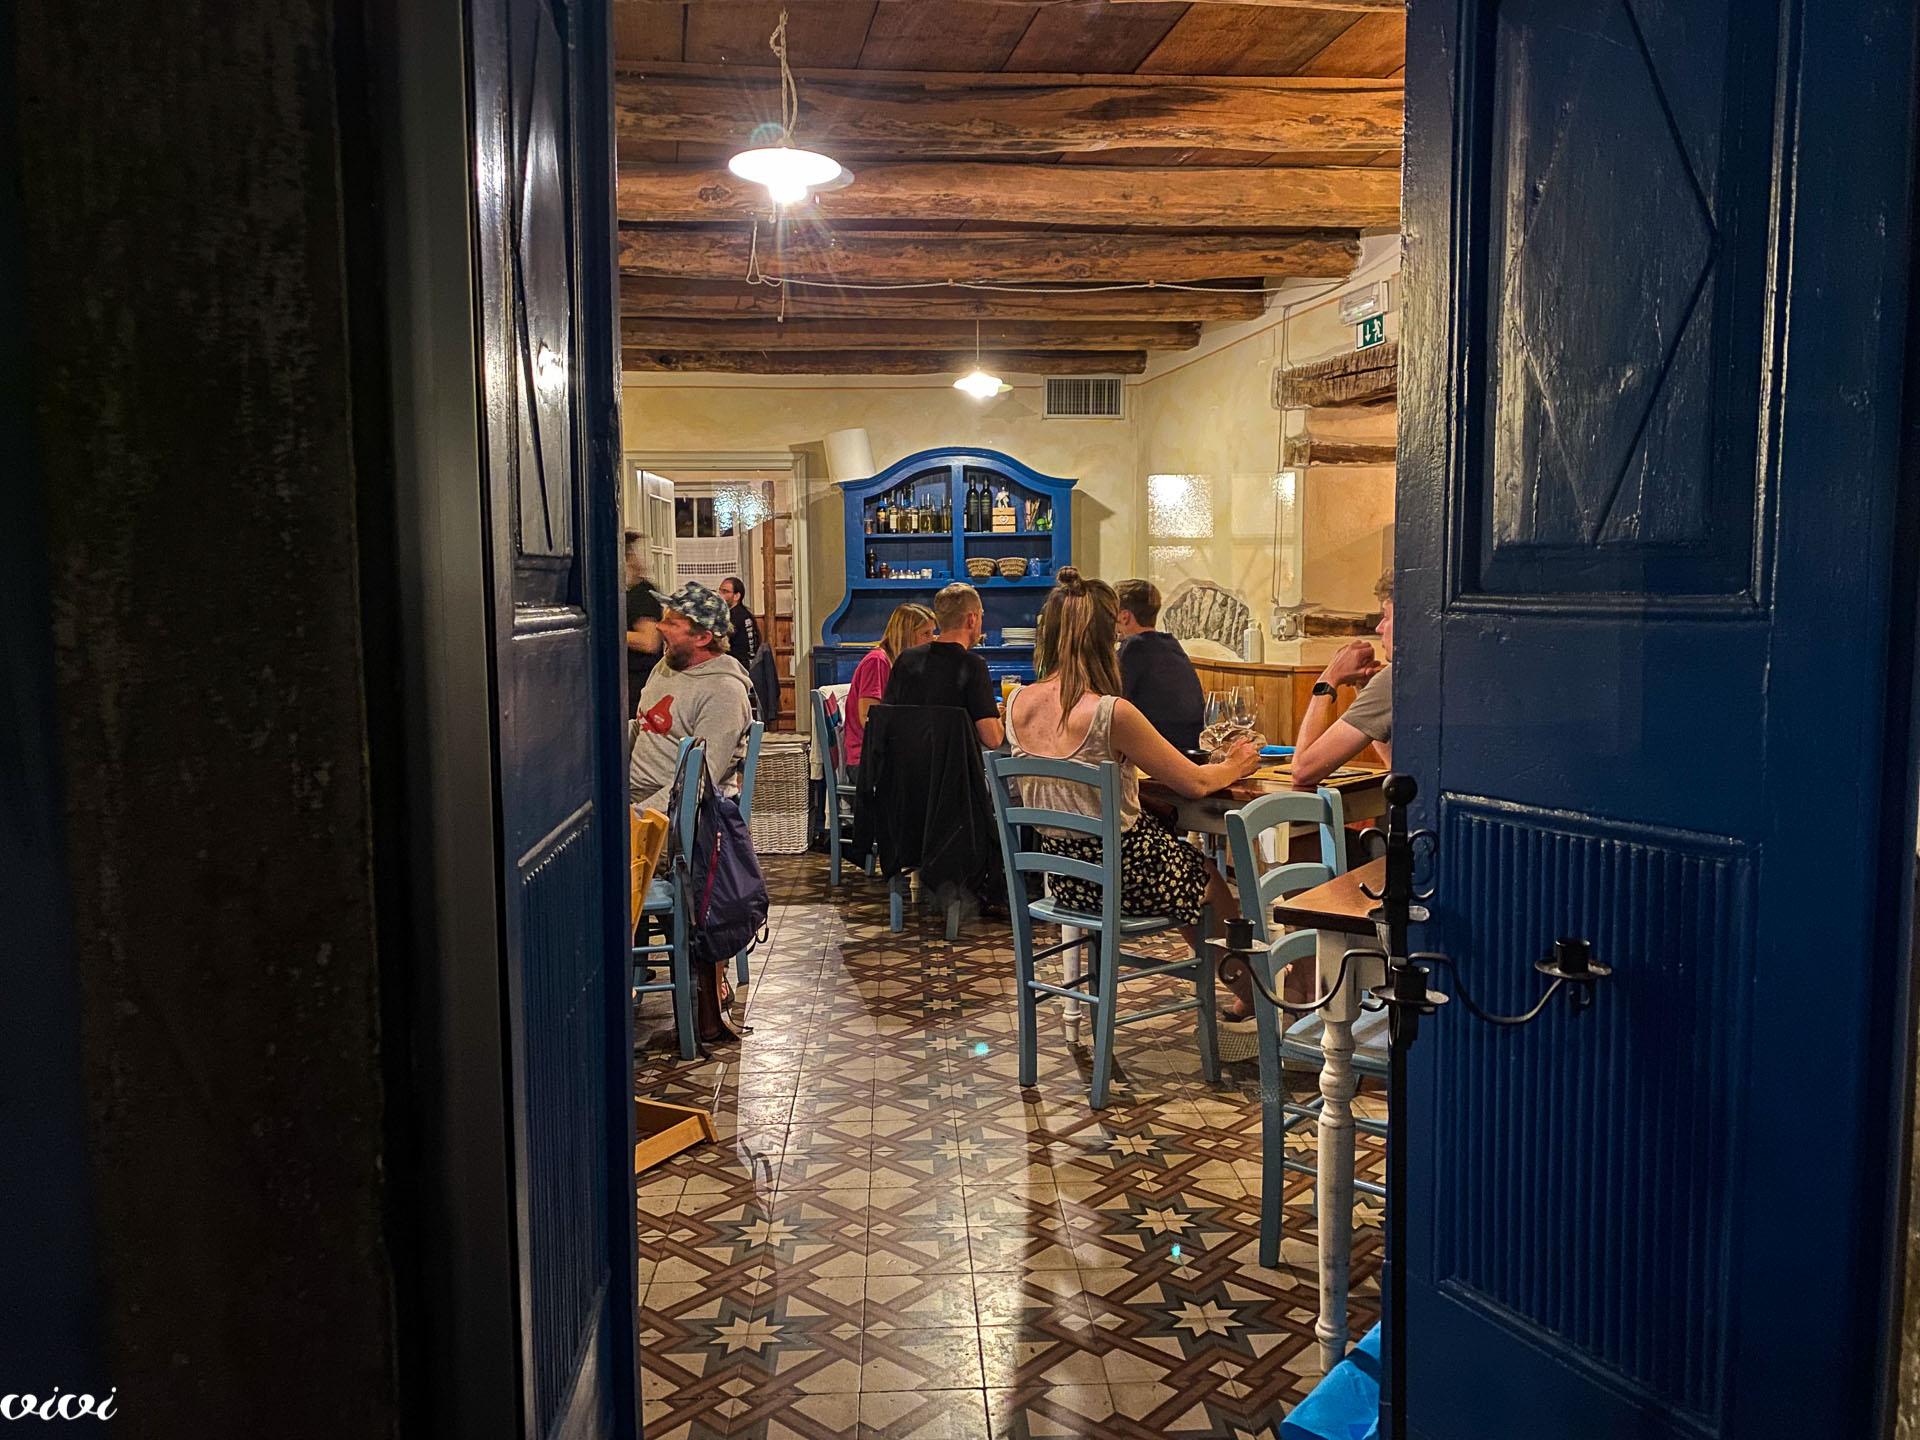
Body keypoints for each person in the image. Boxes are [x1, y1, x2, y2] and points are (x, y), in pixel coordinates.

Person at [1004, 568, 1261, 1018]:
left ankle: (1245, 989)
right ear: (1109, 638)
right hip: (1121, 874)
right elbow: (1195, 782)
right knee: (1206, 878)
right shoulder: (1110, 713)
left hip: (1063, 877)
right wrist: (1235, 765)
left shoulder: (1015, 703)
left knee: (1184, 870)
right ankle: (1251, 990)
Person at [628, 580, 754, 815]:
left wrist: (636, 816)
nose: (659, 627)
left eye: (672, 623)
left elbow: (697, 784)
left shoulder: (724, 692)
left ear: (703, 638)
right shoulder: (667, 665)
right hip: (633, 796)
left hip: (681, 815)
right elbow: (643, 724)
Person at [1291, 568, 1393, 789]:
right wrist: (1365, 690)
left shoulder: (1394, 679)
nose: (1379, 628)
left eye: (1386, 616)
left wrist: (1329, 678)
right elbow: (1396, 767)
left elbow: (1302, 771)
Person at [881, 582, 1005, 750]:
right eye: (981, 615)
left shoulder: (906, 659)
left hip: (907, 763)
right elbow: (993, 739)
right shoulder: (972, 665)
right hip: (955, 764)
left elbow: (886, 720)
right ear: (972, 619)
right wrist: (999, 716)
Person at [1114, 578, 1206, 754]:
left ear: (1124, 617)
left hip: (1158, 755)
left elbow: (1109, 703)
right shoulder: (1171, 644)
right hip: (1191, 750)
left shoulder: (1133, 648)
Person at [844, 602, 935, 774]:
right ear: (907, 634)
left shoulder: (901, 663)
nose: (932, 640)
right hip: (867, 760)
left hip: (889, 754)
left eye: (933, 633)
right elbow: (868, 718)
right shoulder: (877, 661)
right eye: (926, 634)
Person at [624, 531, 663, 701]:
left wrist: (606, 632)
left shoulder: (643, 595)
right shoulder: (627, 593)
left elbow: (648, 641)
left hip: (640, 683)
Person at [718, 575, 761, 666]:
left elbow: (721, 643)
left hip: (738, 665)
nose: (720, 595)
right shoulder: (744, 613)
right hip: (747, 663)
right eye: (720, 591)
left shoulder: (737, 616)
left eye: (725, 591)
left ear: (736, 596)